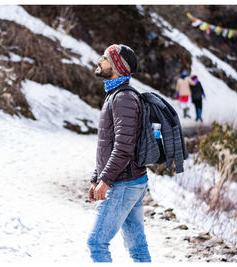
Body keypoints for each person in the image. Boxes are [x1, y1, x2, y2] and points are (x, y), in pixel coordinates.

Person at [88, 44, 151, 262]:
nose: (99, 61)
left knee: (96, 243)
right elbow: (107, 144)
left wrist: (105, 180)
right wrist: (96, 178)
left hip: (123, 183)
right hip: (130, 180)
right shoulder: (116, 95)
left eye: (105, 58)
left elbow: (124, 148)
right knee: (137, 248)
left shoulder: (123, 98)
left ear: (117, 66)